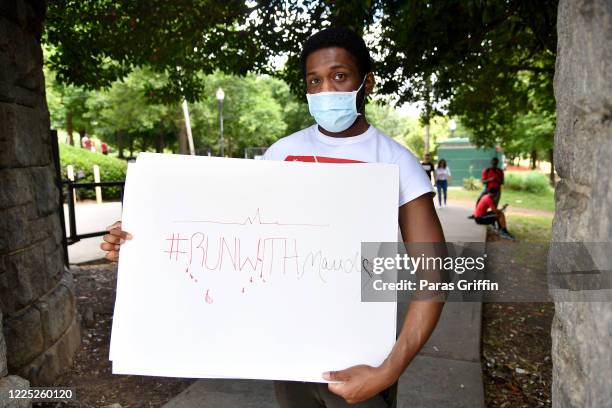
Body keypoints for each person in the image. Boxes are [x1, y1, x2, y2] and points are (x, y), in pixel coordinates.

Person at [101, 28, 445, 408]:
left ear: (367, 82)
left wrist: (389, 370)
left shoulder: (396, 161)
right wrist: (142, 243)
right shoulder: (282, 154)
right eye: (314, 81)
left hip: (362, 364)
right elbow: (232, 239)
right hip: (289, 359)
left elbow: (435, 272)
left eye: (339, 76)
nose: (326, 90)